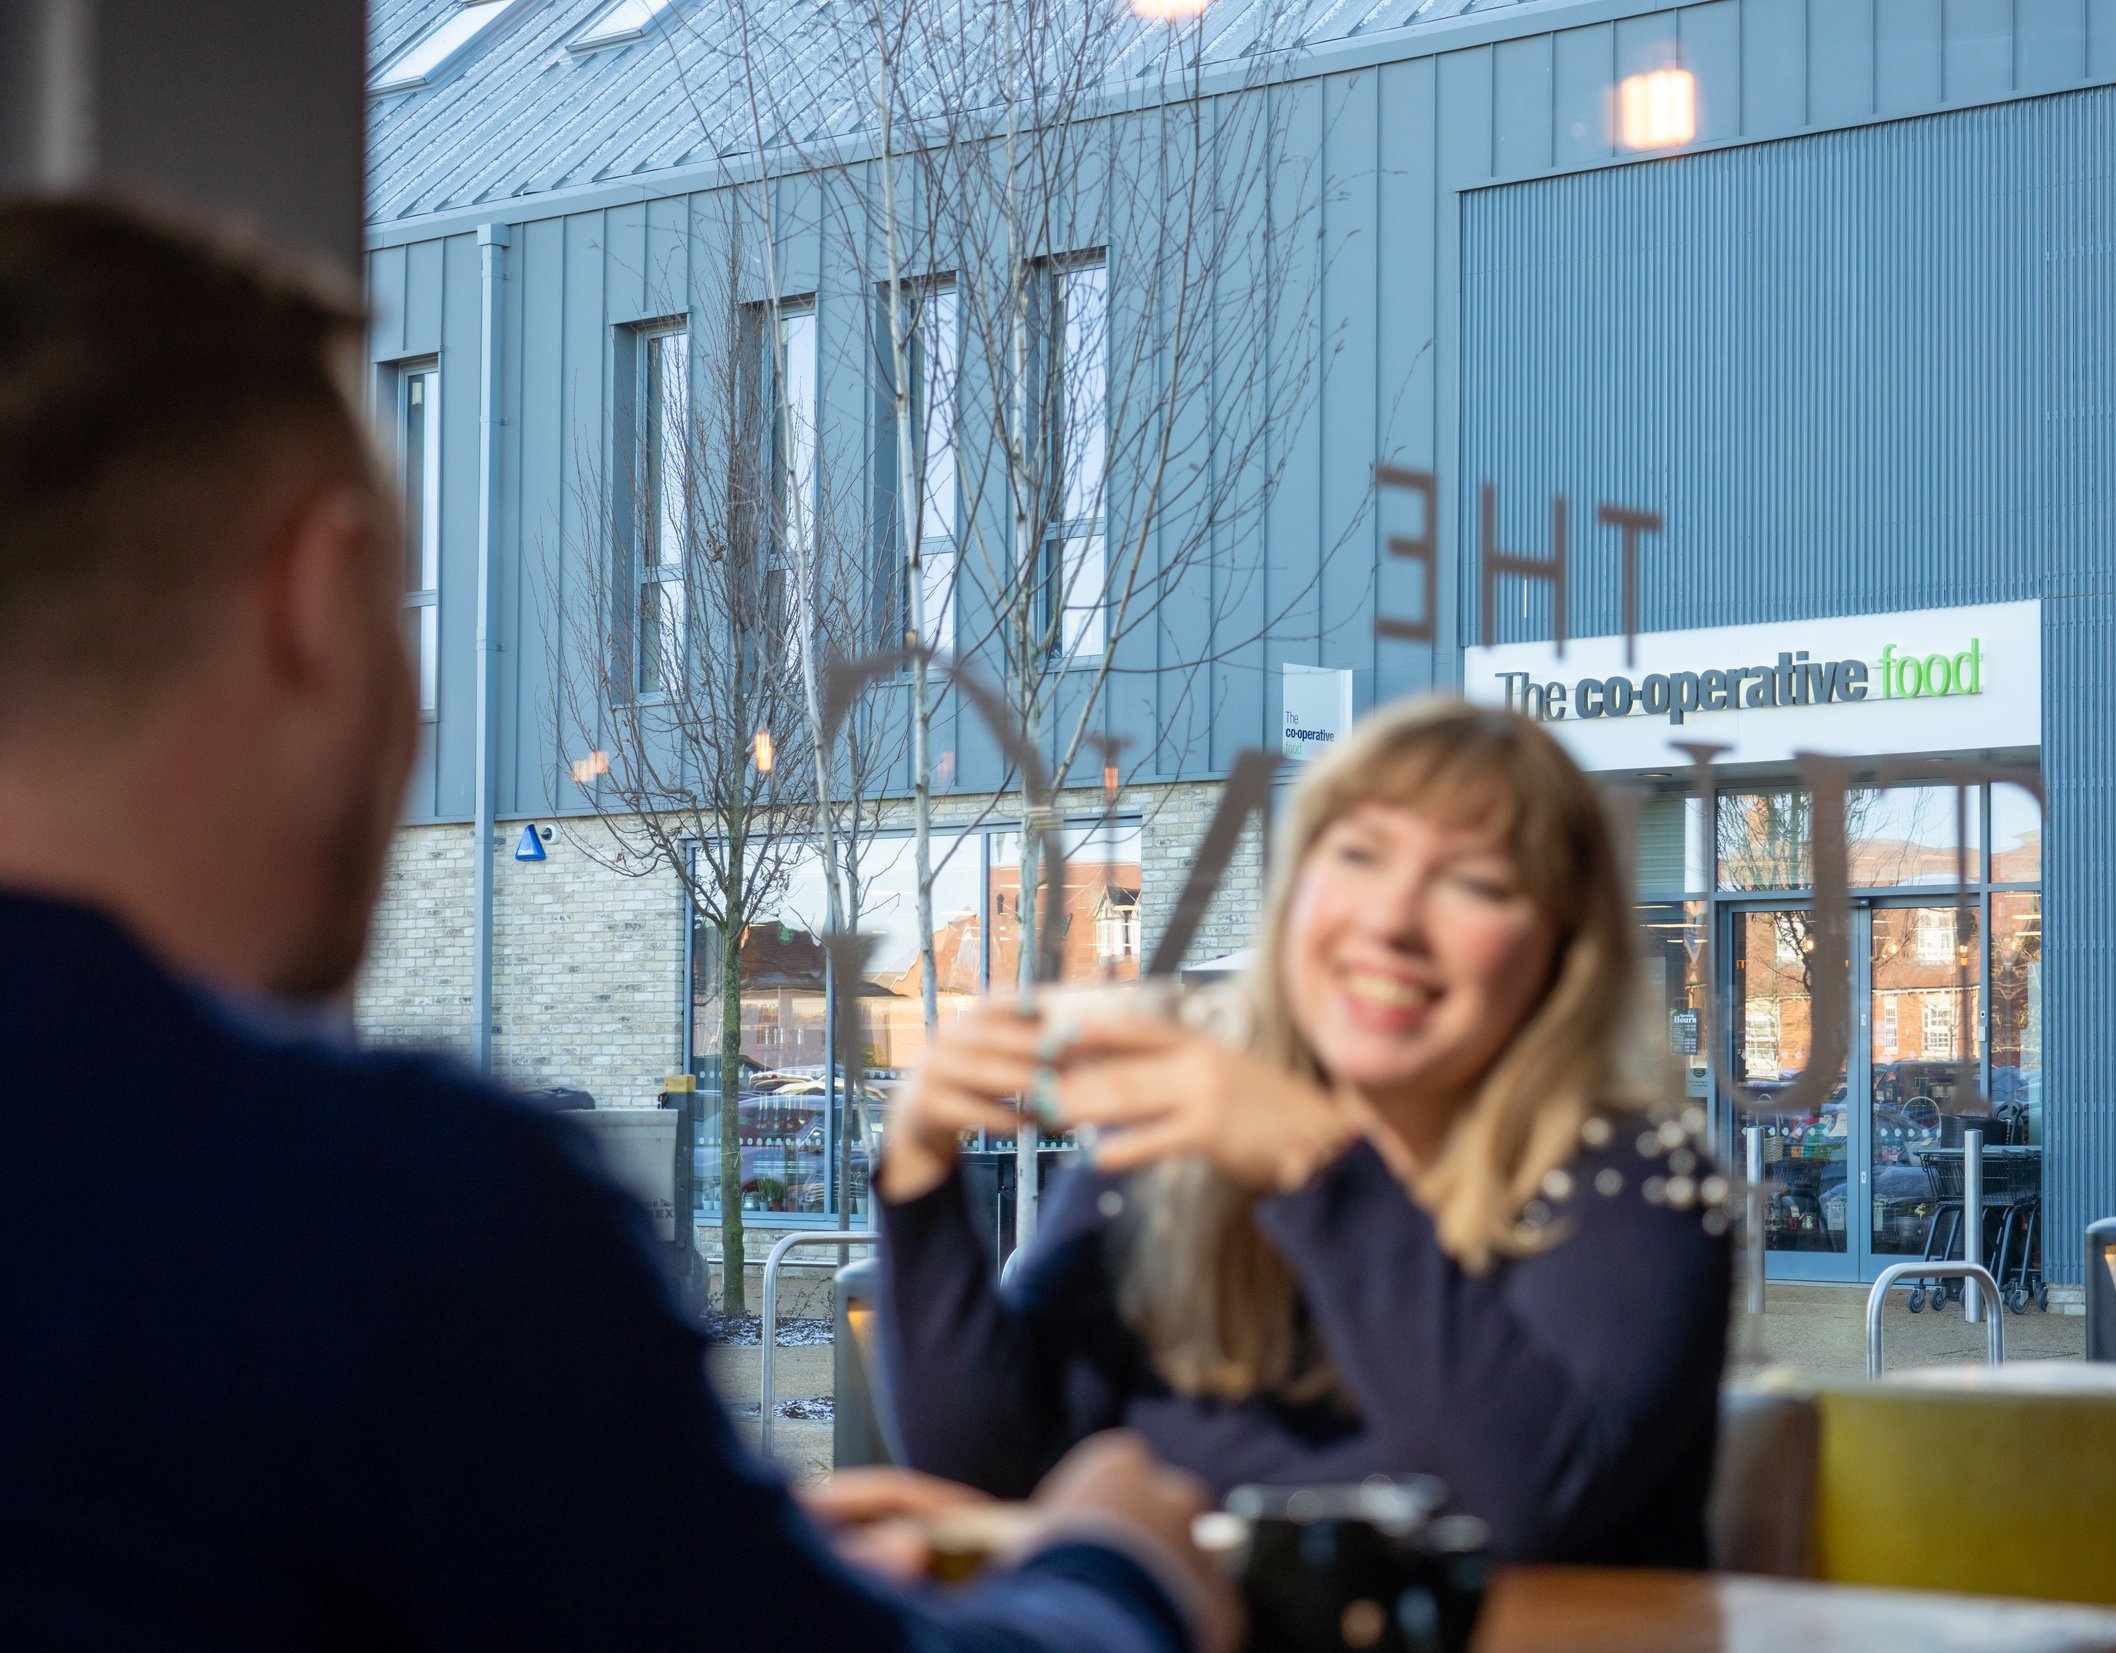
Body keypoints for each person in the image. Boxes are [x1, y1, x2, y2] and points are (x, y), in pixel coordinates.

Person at [0, 196, 1224, 1652]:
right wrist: (1118, 1573)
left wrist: (675, 1541)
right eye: (404, 603)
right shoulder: (391, 1216)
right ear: (315, 604)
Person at [875, 697, 1735, 1566]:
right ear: (1293, 894)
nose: (1392, 921)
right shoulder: (1176, 1150)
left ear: (1561, 946)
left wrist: (1319, 1163)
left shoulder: (1641, 1178)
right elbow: (988, 1477)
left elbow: (1517, 1505)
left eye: (1475, 881)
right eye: (1359, 854)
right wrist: (914, 1168)